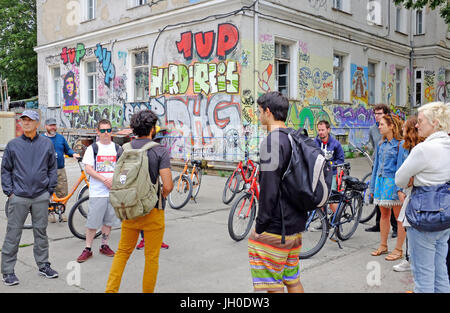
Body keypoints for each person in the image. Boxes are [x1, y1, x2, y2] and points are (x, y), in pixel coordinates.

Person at [105, 110, 173, 293]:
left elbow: (120, 178)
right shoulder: (159, 151)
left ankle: (110, 291)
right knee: (151, 257)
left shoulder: (124, 149)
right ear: (152, 129)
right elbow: (167, 185)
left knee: (122, 253)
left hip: (129, 210)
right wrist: (159, 197)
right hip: (153, 212)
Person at [248, 91, 305, 293]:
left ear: (268, 112)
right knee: (292, 279)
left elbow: (269, 190)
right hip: (295, 224)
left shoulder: (272, 142)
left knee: (273, 284)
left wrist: (260, 226)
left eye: (259, 111)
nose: (258, 115)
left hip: (276, 227)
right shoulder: (294, 138)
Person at [395, 101, 450, 293]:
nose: (417, 125)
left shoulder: (423, 149)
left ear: (434, 123)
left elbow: (400, 179)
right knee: (440, 272)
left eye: (420, 121)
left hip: (423, 216)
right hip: (445, 216)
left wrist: (416, 178)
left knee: (423, 277)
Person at [1, 110, 59, 286]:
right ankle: (8, 271)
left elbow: (52, 168)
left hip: (40, 196)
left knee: (41, 232)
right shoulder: (13, 145)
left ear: (37, 123)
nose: (25, 123)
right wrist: (10, 192)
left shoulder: (46, 144)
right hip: (19, 197)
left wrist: (49, 190)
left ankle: (43, 265)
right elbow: (6, 170)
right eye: (23, 120)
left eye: (29, 120)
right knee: (13, 234)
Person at [77, 119, 121, 263]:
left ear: (111, 131)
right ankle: (88, 248)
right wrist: (104, 180)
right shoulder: (93, 148)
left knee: (108, 221)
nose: (106, 133)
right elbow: (88, 168)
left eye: (108, 130)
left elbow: (122, 168)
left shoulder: (117, 149)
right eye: (103, 130)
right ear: (98, 132)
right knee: (92, 223)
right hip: (98, 192)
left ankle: (104, 245)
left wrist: (114, 180)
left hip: (112, 192)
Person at [370, 113, 406, 260]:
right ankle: (383, 245)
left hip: (393, 183)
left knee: (399, 218)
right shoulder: (380, 144)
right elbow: (376, 166)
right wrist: (372, 187)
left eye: (382, 124)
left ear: (391, 126)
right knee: (384, 215)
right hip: (380, 182)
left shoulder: (401, 144)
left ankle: (398, 249)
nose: (379, 126)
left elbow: (402, 168)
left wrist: (400, 189)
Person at [393, 116, 424, 272]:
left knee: (413, 226)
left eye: (405, 126)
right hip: (407, 190)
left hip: (416, 192)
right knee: (407, 225)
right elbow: (401, 172)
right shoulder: (405, 147)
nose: (402, 129)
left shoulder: (420, 148)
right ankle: (408, 258)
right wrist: (399, 190)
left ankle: (412, 259)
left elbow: (411, 176)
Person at [135, 126, 169, 251]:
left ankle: (155, 239)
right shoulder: (158, 151)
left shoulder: (132, 148)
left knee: (153, 216)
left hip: (147, 189)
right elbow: (168, 185)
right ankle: (145, 239)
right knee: (147, 216)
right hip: (146, 189)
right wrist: (164, 194)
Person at [366, 104, 398, 237]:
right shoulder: (373, 129)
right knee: (379, 200)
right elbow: (374, 146)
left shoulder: (393, 128)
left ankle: (395, 228)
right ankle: (378, 224)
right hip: (378, 165)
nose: (376, 116)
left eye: (379, 113)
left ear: (386, 114)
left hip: (390, 170)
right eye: (375, 113)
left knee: (392, 201)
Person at [42, 118, 80, 222]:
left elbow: (67, 149)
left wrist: (73, 154)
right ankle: (49, 213)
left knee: (63, 192)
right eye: (50, 125)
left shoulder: (60, 138)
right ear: (45, 126)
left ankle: (60, 212)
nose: (53, 127)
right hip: (46, 171)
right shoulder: (41, 139)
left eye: (54, 125)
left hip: (60, 170)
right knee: (48, 193)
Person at [314, 120, 344, 213]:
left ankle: (337, 222)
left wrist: (331, 165)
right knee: (320, 199)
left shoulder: (336, 144)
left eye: (323, 130)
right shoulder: (315, 142)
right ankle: (324, 223)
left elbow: (341, 160)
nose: (320, 132)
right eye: (319, 130)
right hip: (319, 174)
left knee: (332, 199)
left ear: (328, 130)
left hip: (332, 174)